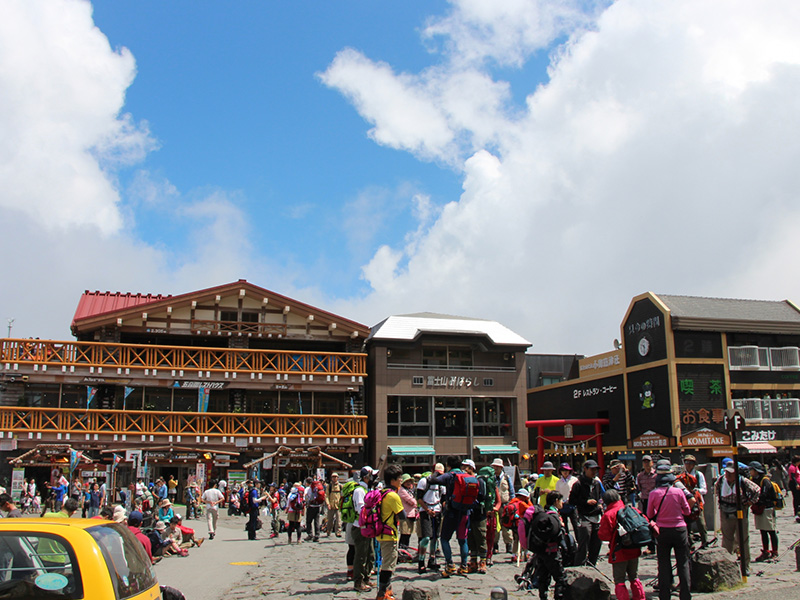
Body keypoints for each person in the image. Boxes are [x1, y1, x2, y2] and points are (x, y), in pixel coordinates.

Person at [428, 456, 480, 577]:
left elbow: (432, 480)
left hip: (452, 512)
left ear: (448, 465)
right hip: (465, 512)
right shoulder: (466, 475)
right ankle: (463, 566)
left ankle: (450, 565)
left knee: (445, 539)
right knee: (463, 540)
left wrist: (436, 472)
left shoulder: (450, 475)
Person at [647, 464, 691, 600]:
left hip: (662, 531)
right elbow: (687, 511)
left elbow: (649, 513)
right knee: (683, 562)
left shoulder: (653, 494)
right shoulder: (678, 492)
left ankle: (664, 595)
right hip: (680, 529)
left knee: (664, 564)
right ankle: (685, 595)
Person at [598, 489, 645, 600]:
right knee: (634, 577)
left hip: (619, 552)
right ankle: (640, 597)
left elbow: (603, 536)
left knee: (619, 580)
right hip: (634, 548)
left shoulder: (608, 514)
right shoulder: (632, 509)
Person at [715, 463, 760, 576]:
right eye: (727, 472)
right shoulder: (721, 481)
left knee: (743, 539)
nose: (728, 475)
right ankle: (726, 565)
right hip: (725, 512)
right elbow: (716, 491)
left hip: (740, 512)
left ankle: (745, 566)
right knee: (727, 539)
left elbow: (757, 490)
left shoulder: (743, 481)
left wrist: (750, 502)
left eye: (731, 473)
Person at [376, 464, 405, 600]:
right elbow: (403, 515)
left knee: (386, 562)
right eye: (399, 478)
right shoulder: (393, 496)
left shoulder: (382, 492)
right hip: (389, 534)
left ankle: (387, 589)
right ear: (393, 480)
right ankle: (382, 593)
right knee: (388, 565)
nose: (401, 480)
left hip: (381, 533)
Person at [569, 459, 603, 567]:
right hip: (584, 516)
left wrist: (600, 504)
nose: (594, 472)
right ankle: (578, 568)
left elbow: (601, 497)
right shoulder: (578, 484)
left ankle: (592, 566)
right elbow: (572, 501)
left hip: (596, 516)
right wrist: (585, 502)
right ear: (585, 469)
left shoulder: (597, 483)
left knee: (597, 543)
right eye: (592, 469)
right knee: (584, 543)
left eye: (595, 470)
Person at [416, 462, 444, 573]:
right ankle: (421, 561)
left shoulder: (442, 484)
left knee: (435, 537)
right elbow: (419, 498)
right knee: (426, 537)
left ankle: (432, 559)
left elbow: (443, 498)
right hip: (425, 511)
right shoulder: (424, 481)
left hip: (437, 510)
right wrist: (427, 510)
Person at [352, 467, 376, 592]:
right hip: (360, 527)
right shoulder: (359, 491)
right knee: (361, 555)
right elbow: (361, 510)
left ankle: (366, 578)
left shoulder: (367, 489)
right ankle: (358, 581)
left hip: (368, 527)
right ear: (366, 477)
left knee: (370, 554)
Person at [750, 461, 779, 562]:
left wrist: (754, 501)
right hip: (758, 508)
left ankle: (775, 551)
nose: (750, 472)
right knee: (762, 531)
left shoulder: (765, 481)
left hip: (767, 508)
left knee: (771, 531)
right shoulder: (753, 480)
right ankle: (765, 551)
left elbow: (764, 494)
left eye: (751, 469)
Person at [472, 465, 499, 573]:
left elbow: (498, 501)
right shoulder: (480, 484)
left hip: (486, 514)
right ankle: (478, 560)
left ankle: (486, 558)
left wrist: (493, 509)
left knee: (487, 536)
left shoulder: (492, 487)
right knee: (480, 536)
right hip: (480, 513)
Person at [680, 455, 707, 546]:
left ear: (694, 464)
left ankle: (705, 542)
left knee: (701, 524)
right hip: (686, 503)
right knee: (687, 525)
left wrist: (696, 491)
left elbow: (704, 490)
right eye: (686, 462)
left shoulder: (699, 475)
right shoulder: (681, 475)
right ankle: (690, 544)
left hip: (697, 503)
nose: (688, 465)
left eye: (690, 463)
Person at [492, 458, 515, 554]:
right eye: (494, 467)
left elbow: (512, 491)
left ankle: (508, 545)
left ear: (501, 468)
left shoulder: (506, 478)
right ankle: (495, 545)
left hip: (506, 505)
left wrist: (512, 503)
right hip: (495, 506)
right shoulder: (491, 478)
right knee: (495, 526)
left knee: (507, 526)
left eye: (497, 467)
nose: (496, 469)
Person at [555, 463, 578, 536]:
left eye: (566, 470)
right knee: (564, 525)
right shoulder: (558, 482)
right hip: (563, 505)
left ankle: (578, 541)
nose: (565, 472)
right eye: (563, 470)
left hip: (572, 504)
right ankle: (567, 541)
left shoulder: (575, 480)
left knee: (575, 524)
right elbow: (558, 493)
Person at [397, 474, 418, 548]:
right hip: (405, 515)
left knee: (408, 534)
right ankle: (402, 551)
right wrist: (416, 502)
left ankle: (405, 550)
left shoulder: (409, 490)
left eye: (410, 481)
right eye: (407, 481)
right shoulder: (402, 491)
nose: (409, 483)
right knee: (404, 534)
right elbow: (412, 502)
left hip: (411, 515)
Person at [305, 477, 324, 542]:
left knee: (308, 521)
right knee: (316, 521)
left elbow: (306, 497)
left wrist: (307, 502)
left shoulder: (308, 488)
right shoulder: (317, 487)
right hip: (317, 506)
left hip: (311, 506)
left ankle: (310, 534)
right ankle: (317, 535)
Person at [326, 472, 343, 538]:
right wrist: (328, 504)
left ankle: (338, 532)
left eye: (336, 477)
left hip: (338, 505)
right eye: (333, 477)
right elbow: (326, 495)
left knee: (339, 520)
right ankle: (328, 530)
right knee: (330, 519)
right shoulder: (329, 486)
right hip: (331, 505)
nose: (334, 478)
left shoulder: (340, 486)